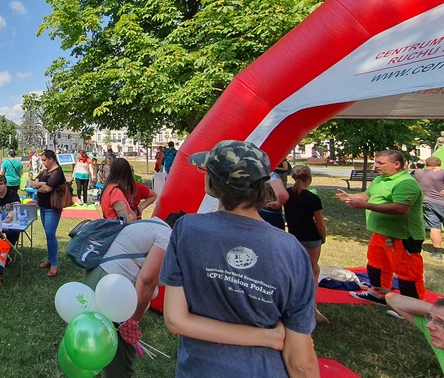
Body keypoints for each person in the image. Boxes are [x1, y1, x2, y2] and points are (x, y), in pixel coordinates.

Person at [160, 140, 318, 377]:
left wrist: (268, 337)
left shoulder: (187, 230)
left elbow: (175, 319)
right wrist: (266, 336)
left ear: (212, 182)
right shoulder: (291, 250)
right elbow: (301, 360)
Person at [84, 216, 173, 378]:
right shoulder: (168, 235)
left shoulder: (147, 223)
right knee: (119, 353)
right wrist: (133, 321)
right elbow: (147, 280)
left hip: (94, 276)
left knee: (94, 340)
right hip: (112, 289)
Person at [337, 149, 426, 302]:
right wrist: (351, 197)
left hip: (403, 236)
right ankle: (378, 293)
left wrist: (365, 205)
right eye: (375, 162)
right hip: (381, 233)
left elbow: (400, 209)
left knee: (408, 273)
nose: (375, 166)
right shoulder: (380, 179)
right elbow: (368, 195)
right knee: (376, 265)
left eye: (380, 163)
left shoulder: (406, 183)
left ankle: (413, 305)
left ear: (397, 164)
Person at [284, 165, 329, 324]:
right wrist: (322, 237)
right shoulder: (312, 198)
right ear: (309, 179)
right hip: (311, 238)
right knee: (312, 271)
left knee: (297, 269)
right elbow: (320, 224)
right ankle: (310, 306)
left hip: (294, 236)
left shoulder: (287, 194)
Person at [26, 150, 66, 277]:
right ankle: (49, 259)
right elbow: (33, 183)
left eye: (44, 160)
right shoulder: (45, 171)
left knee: (50, 234)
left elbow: (48, 188)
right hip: (43, 207)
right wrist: (42, 184)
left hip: (52, 208)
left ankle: (54, 264)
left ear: (51, 159)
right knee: (48, 235)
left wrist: (41, 186)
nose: (42, 163)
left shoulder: (57, 172)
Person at [385, 292, 444, 372]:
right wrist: (436, 312)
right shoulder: (439, 338)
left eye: (441, 323)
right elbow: (392, 299)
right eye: (430, 318)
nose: (428, 326)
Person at [413, 156, 444, 259]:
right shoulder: (441, 173)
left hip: (428, 203)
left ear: (426, 164)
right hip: (441, 202)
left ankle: (437, 252)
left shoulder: (418, 173)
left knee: (435, 227)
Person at [0, 175, 22, 246]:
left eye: (1, 184)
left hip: (10, 223)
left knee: (14, 232)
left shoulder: (12, 194)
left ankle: (7, 251)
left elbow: (17, 208)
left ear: (5, 184)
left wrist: (10, 216)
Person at [100, 158, 138, 222]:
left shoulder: (109, 188)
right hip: (118, 230)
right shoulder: (115, 192)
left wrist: (131, 215)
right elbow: (126, 221)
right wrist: (131, 216)